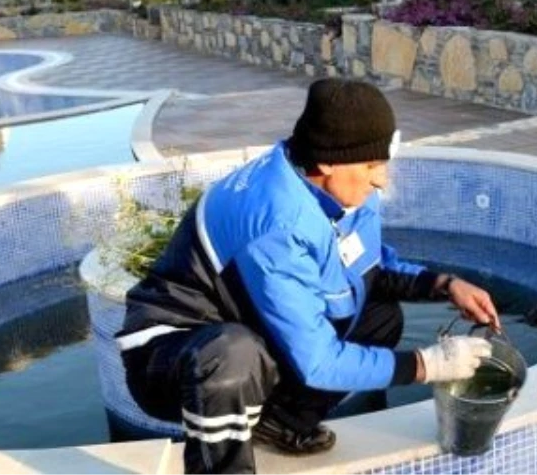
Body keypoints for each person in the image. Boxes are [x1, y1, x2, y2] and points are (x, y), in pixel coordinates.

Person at [116, 78, 501, 474]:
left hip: (245, 325)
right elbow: (317, 362)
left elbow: (371, 269)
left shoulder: (340, 188)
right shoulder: (276, 221)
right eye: (372, 165)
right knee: (232, 355)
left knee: (380, 316)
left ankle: (280, 426)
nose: (381, 179)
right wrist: (428, 365)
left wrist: (446, 285)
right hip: (172, 351)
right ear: (329, 160)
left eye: (383, 161)